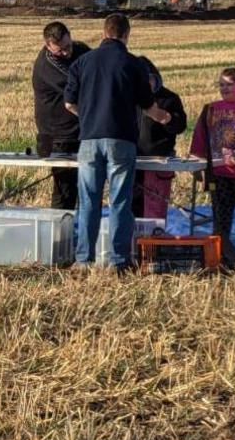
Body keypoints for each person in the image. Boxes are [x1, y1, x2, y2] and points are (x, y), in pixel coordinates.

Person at [63, 14, 171, 269]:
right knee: (120, 201)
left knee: (88, 200)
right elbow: (147, 104)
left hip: (89, 140)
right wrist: (163, 117)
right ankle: (118, 261)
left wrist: (88, 117)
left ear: (103, 33)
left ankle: (83, 260)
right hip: (121, 140)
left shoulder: (82, 62)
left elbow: (69, 103)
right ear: (127, 34)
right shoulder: (134, 65)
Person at [190, 68, 235, 264]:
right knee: (220, 212)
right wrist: (197, 163)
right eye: (221, 84)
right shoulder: (210, 109)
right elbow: (200, 137)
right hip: (218, 172)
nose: (224, 88)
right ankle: (221, 248)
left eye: (228, 84)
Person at [33, 22, 90, 211]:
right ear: (48, 46)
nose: (66, 53)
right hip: (57, 136)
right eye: (60, 50)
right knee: (64, 191)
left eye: (68, 47)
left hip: (81, 131)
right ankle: (59, 236)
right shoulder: (47, 66)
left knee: (89, 187)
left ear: (70, 35)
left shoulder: (81, 50)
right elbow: (81, 88)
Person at [134, 57, 187, 220]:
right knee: (131, 209)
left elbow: (181, 127)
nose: (143, 85)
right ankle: (131, 244)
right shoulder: (128, 98)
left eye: (147, 80)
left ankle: (154, 244)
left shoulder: (169, 98)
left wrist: (166, 118)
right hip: (132, 161)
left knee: (154, 211)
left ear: (154, 77)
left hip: (159, 162)